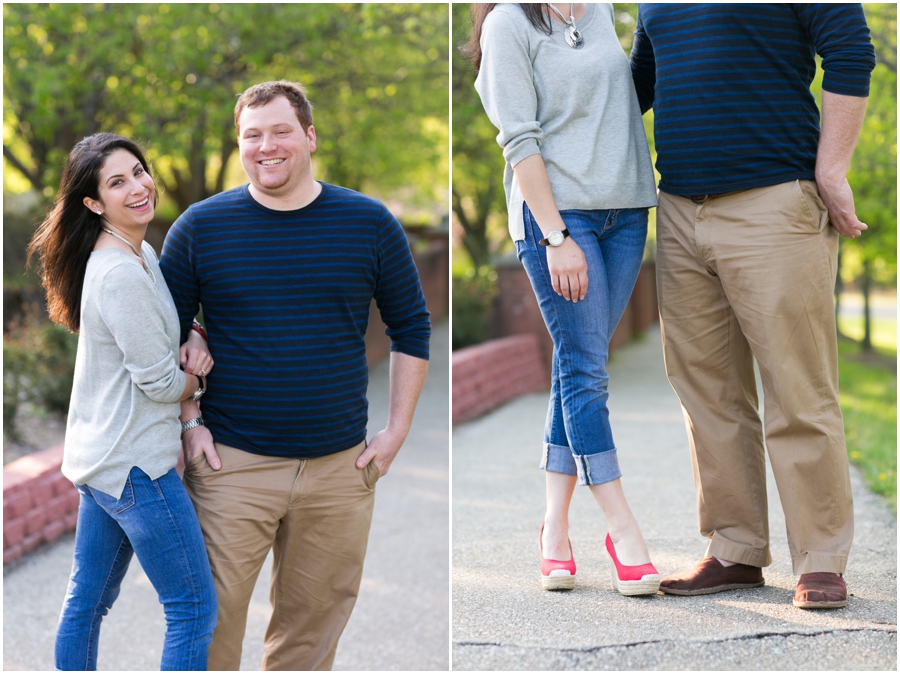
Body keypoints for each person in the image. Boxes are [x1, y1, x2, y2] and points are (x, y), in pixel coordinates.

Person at [159, 80, 431, 670]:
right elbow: (167, 337)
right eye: (251, 136)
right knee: (209, 627)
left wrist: (397, 430)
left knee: (310, 638)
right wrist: (189, 421)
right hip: (231, 465)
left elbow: (411, 328)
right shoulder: (199, 229)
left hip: (339, 470)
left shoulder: (369, 222)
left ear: (309, 136)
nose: (266, 147)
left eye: (280, 131)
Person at [630, 4, 875, 608]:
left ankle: (820, 560)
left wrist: (832, 168)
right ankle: (735, 549)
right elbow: (635, 86)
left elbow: (850, 50)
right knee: (706, 388)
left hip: (774, 201)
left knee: (797, 386)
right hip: (681, 209)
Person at [470, 3, 661, 595]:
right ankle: (622, 530)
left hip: (626, 213)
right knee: (585, 370)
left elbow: (621, 103)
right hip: (558, 218)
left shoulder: (601, 11)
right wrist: (555, 236)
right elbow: (519, 138)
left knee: (578, 364)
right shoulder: (508, 24)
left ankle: (553, 529)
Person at [27, 133, 217, 670]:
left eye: (138, 171)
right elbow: (159, 382)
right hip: (136, 469)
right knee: (193, 608)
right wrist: (196, 382)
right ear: (93, 203)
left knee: (87, 603)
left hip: (104, 462)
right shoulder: (118, 274)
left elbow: (167, 333)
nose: (138, 186)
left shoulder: (139, 253)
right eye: (117, 182)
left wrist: (193, 335)